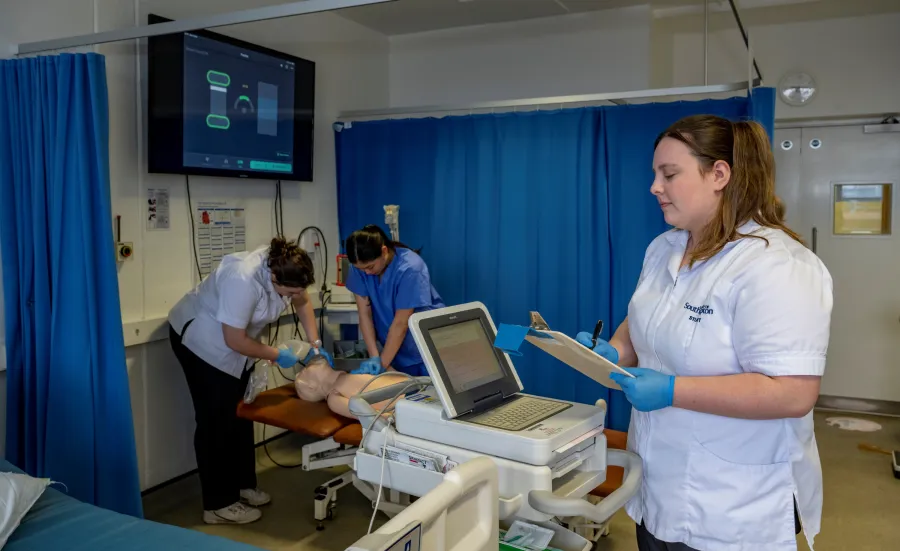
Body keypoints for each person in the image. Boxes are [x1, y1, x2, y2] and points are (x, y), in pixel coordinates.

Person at [575, 115, 833, 551]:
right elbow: (641, 322)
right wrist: (614, 352)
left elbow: (792, 393)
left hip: (734, 507)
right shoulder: (664, 249)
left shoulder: (777, 266)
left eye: (669, 174)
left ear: (719, 174)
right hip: (657, 487)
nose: (655, 187)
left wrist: (673, 390)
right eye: (655, 174)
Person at [168, 237, 332, 525]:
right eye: (288, 291)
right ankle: (218, 504)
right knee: (215, 420)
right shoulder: (242, 279)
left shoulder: (287, 268)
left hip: (236, 343)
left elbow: (302, 300)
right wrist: (276, 355)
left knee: (242, 412)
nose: (292, 296)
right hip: (202, 342)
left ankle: (243, 485)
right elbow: (234, 339)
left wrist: (315, 344)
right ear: (273, 277)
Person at [345, 224, 445, 377]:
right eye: (360, 269)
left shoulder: (410, 267)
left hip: (424, 347)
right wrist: (375, 358)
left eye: (370, 267)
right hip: (395, 348)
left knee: (427, 396)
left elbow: (401, 323)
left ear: (384, 251)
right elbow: (364, 314)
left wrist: (382, 365)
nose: (366, 272)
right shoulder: (359, 268)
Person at [294, 355, 410, 418]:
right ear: (311, 386)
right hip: (409, 403)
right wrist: (393, 418)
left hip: (417, 386)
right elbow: (370, 415)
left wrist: (385, 366)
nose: (308, 365)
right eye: (305, 370)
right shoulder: (333, 398)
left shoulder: (351, 374)